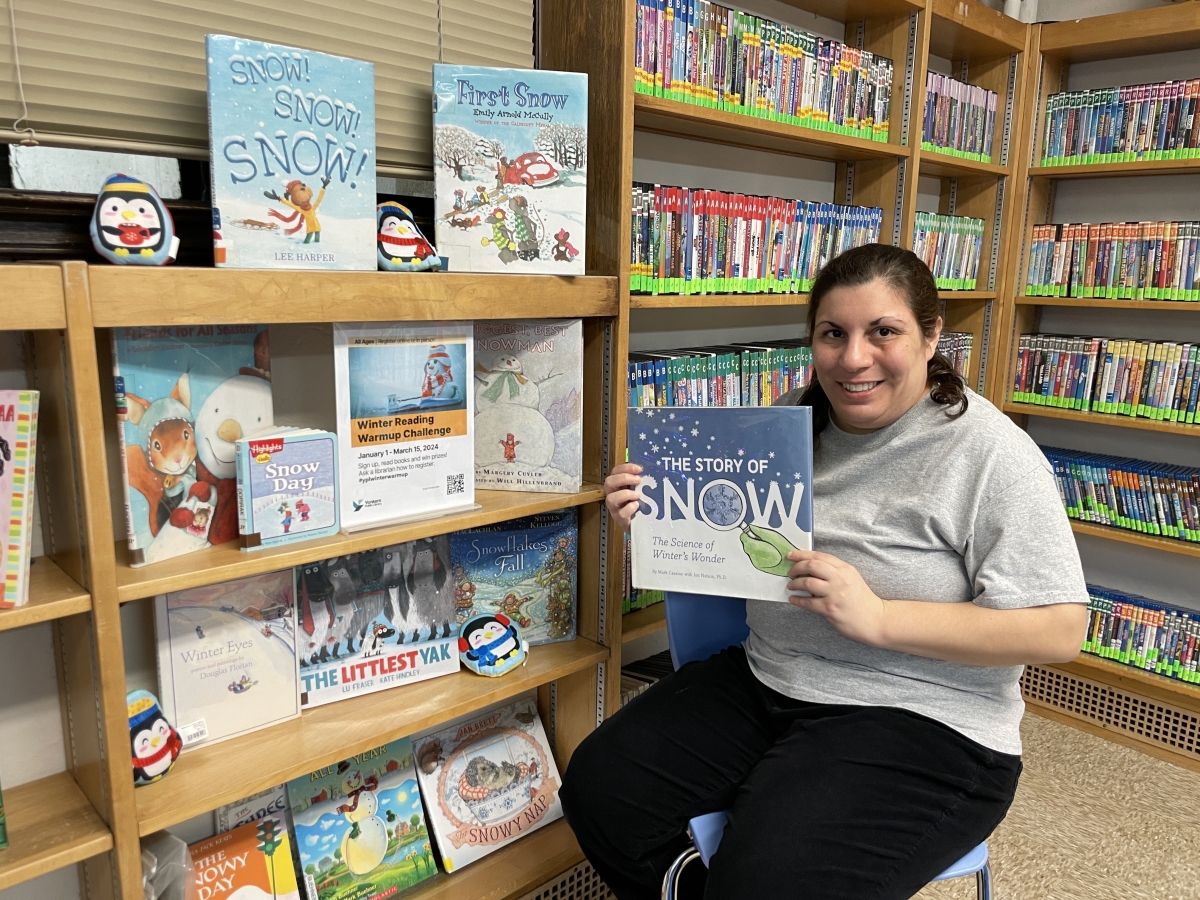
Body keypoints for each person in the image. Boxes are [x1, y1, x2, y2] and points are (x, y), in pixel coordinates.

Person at [561, 244, 1088, 900]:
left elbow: (1060, 630)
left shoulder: (990, 454)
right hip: (770, 678)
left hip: (924, 717)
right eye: (833, 334)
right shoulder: (790, 422)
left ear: (931, 338)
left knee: (765, 879)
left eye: (884, 332)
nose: (854, 357)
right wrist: (653, 516)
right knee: (602, 788)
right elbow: (730, 547)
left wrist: (881, 618)